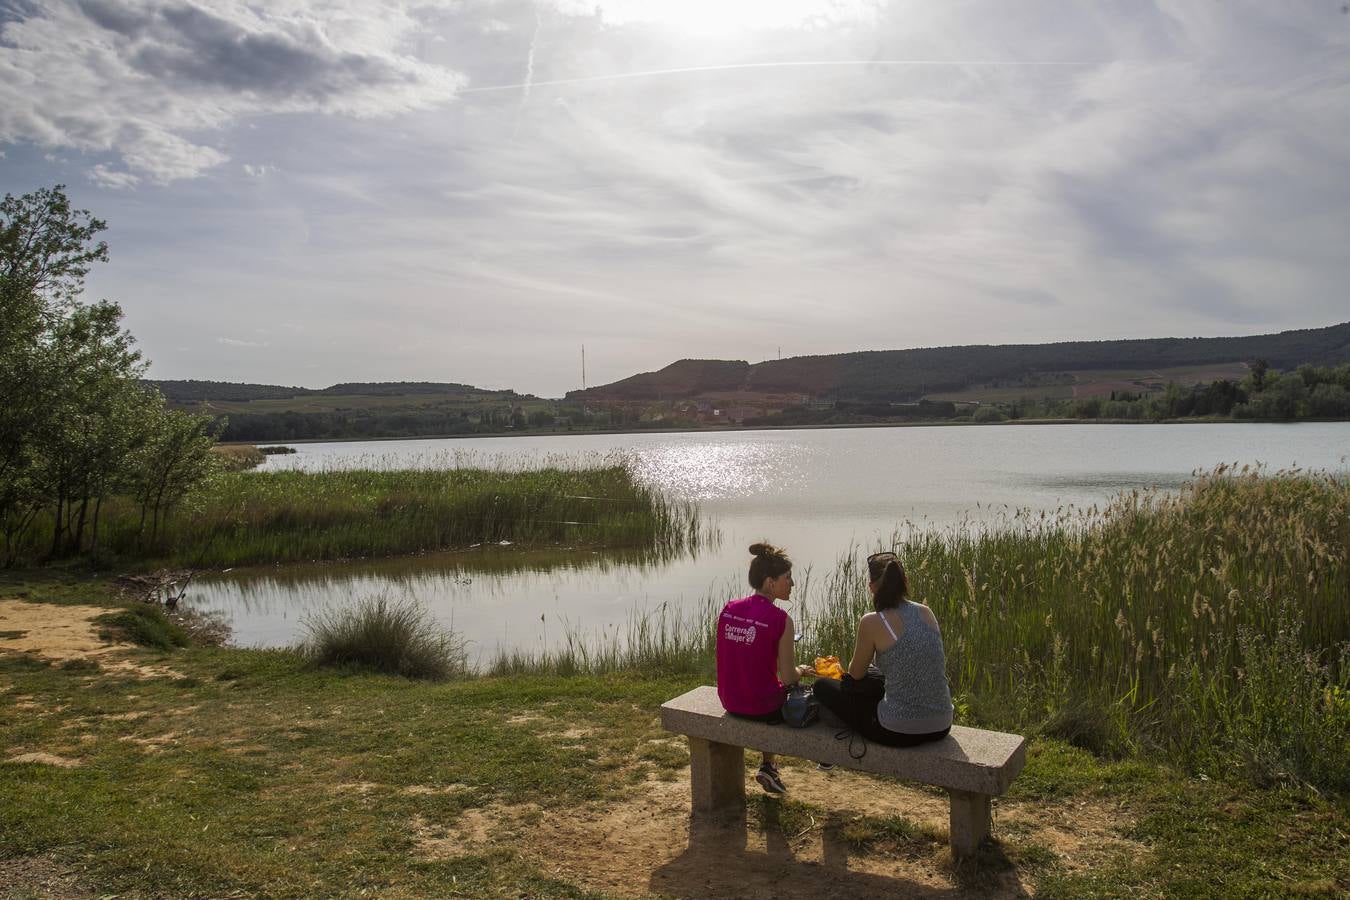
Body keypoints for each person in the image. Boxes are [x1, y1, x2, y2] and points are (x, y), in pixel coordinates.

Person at [812, 551, 953, 750]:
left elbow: (856, 674)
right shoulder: (925, 612)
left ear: (871, 588)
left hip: (897, 730)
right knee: (877, 677)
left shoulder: (872, 621)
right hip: (942, 724)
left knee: (822, 687)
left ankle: (826, 755)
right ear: (905, 580)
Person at [715, 542, 815, 795]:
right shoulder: (781, 619)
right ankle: (826, 756)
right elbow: (789, 677)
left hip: (730, 700)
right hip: (763, 707)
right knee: (813, 696)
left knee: (762, 687)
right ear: (770, 582)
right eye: (787, 578)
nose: (792, 584)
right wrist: (803, 669)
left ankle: (769, 766)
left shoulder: (729, 609)